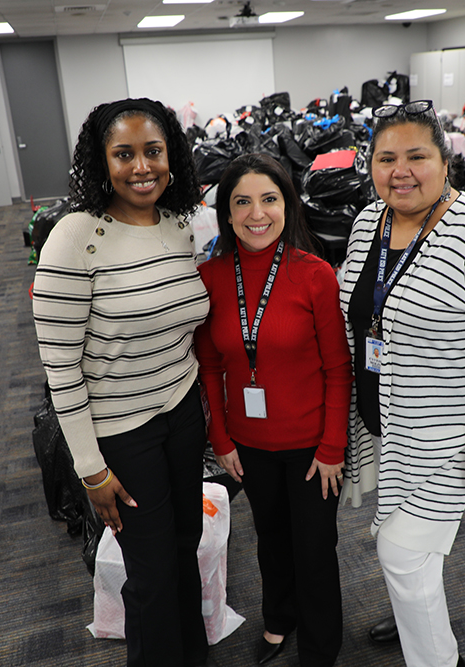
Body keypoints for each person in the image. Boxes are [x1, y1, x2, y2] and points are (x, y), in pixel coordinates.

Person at [338, 100, 465, 667]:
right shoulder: (367, 223)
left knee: (401, 553)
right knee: (411, 554)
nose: (399, 171)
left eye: (416, 156)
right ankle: (414, 618)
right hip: (388, 422)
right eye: (386, 158)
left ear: (444, 161)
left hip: (448, 434)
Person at [32, 98, 211, 667]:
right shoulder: (75, 236)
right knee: (153, 571)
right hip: (120, 432)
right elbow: (59, 367)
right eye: (124, 154)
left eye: (153, 151)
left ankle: (193, 655)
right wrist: (90, 469)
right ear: (100, 161)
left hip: (182, 412)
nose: (142, 167)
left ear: (171, 156)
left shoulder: (179, 225)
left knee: (185, 548)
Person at [194, 153, 352, 666]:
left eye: (269, 199)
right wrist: (220, 440)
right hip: (249, 445)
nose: (256, 213)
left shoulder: (314, 275)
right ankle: (279, 619)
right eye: (242, 201)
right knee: (271, 541)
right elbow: (211, 366)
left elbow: (337, 369)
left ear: (287, 205)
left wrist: (332, 448)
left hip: (312, 447)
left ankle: (321, 647)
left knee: (314, 550)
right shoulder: (211, 277)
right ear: (227, 212)